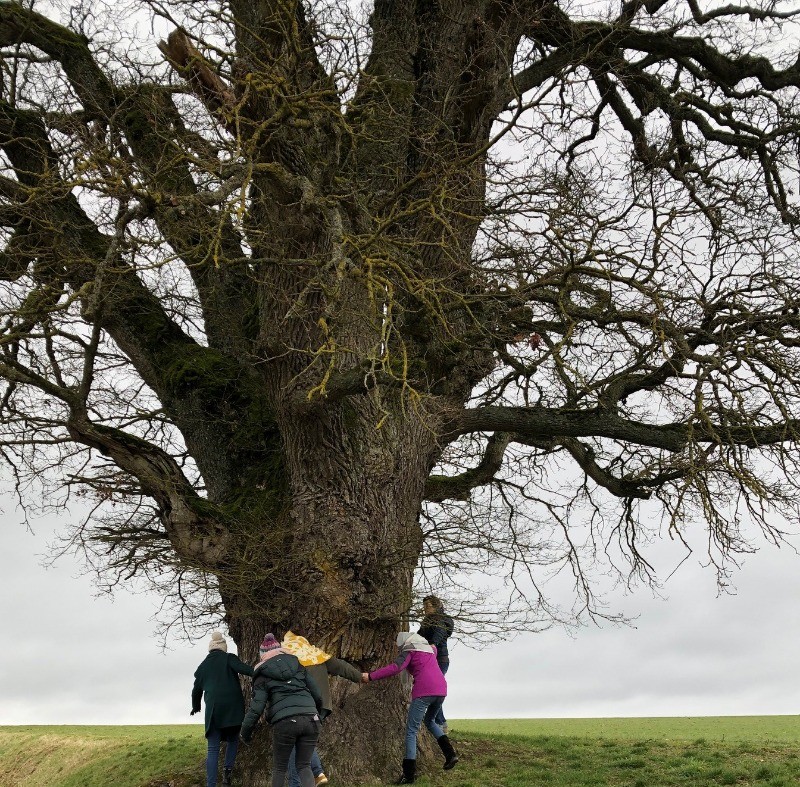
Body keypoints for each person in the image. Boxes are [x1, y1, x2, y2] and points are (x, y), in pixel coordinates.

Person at [363, 631, 458, 784]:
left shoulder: (409, 650)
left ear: (404, 644)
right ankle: (450, 754)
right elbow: (435, 648)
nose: (399, 651)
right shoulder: (429, 650)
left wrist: (371, 676)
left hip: (424, 691)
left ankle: (408, 774)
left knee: (411, 731)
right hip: (441, 690)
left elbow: (396, 667)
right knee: (430, 721)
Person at [240, 633, 325, 787]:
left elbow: (256, 708)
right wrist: (318, 714)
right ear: (281, 650)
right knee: (304, 766)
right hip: (311, 718)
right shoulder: (298, 665)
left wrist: (245, 732)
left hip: (285, 722)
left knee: (279, 768)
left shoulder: (262, 674)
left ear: (262, 656)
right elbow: (317, 693)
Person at [281, 627, 363, 787]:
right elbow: (340, 666)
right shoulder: (316, 654)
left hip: (300, 706)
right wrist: (359, 676)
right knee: (303, 741)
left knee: (295, 741)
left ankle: (311, 776)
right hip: (321, 706)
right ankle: (316, 775)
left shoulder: (289, 658)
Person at [191, 630, 255, 787]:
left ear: (210, 648)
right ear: (224, 647)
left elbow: (196, 690)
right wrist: (260, 671)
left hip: (213, 712)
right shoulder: (229, 659)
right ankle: (227, 774)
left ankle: (211, 784)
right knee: (233, 740)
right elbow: (245, 669)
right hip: (233, 711)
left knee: (212, 750)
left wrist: (196, 706)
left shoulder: (203, 667)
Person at [417, 595, 454, 733]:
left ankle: (439, 723)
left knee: (434, 691)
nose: (425, 609)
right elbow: (419, 636)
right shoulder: (427, 621)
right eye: (424, 606)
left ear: (436, 605)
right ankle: (440, 723)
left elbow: (440, 632)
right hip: (430, 658)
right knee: (433, 691)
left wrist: (433, 644)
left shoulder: (441, 620)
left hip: (440, 659)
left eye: (428, 606)